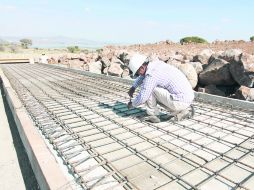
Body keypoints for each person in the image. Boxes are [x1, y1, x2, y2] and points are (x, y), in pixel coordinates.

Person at [127, 53, 194, 123]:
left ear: (142, 67)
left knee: (149, 90)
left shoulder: (151, 75)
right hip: (186, 98)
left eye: (138, 72)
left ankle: (153, 115)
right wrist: (133, 87)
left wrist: (132, 104)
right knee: (151, 86)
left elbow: (142, 97)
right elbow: (142, 76)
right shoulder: (155, 65)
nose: (139, 74)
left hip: (180, 101)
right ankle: (184, 111)